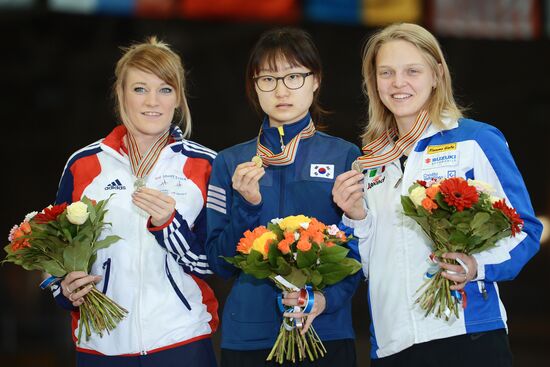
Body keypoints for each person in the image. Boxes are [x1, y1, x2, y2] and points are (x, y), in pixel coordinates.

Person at [332, 23, 542, 367]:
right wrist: (356, 217)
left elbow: (526, 231)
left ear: (436, 75)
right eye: (386, 73)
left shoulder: (476, 140)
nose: (398, 83)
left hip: (465, 334)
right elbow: (366, 263)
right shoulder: (368, 162)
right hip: (392, 343)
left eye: (412, 71)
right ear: (374, 82)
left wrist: (476, 266)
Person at [52, 37, 219, 367]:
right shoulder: (83, 164)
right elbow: (55, 253)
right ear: (121, 94)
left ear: (179, 99)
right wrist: (64, 289)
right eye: (140, 89)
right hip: (101, 343)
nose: (152, 101)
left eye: (165, 89)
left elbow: (216, 262)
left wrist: (169, 227)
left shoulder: (206, 165)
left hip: (182, 339)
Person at [206, 28, 361, 366]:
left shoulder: (345, 157)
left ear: (315, 80)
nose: (281, 90)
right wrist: (247, 206)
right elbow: (218, 263)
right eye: (268, 79)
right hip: (248, 338)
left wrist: (324, 300)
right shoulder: (230, 163)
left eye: (293, 76)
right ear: (254, 85)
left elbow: (360, 250)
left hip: (325, 331)